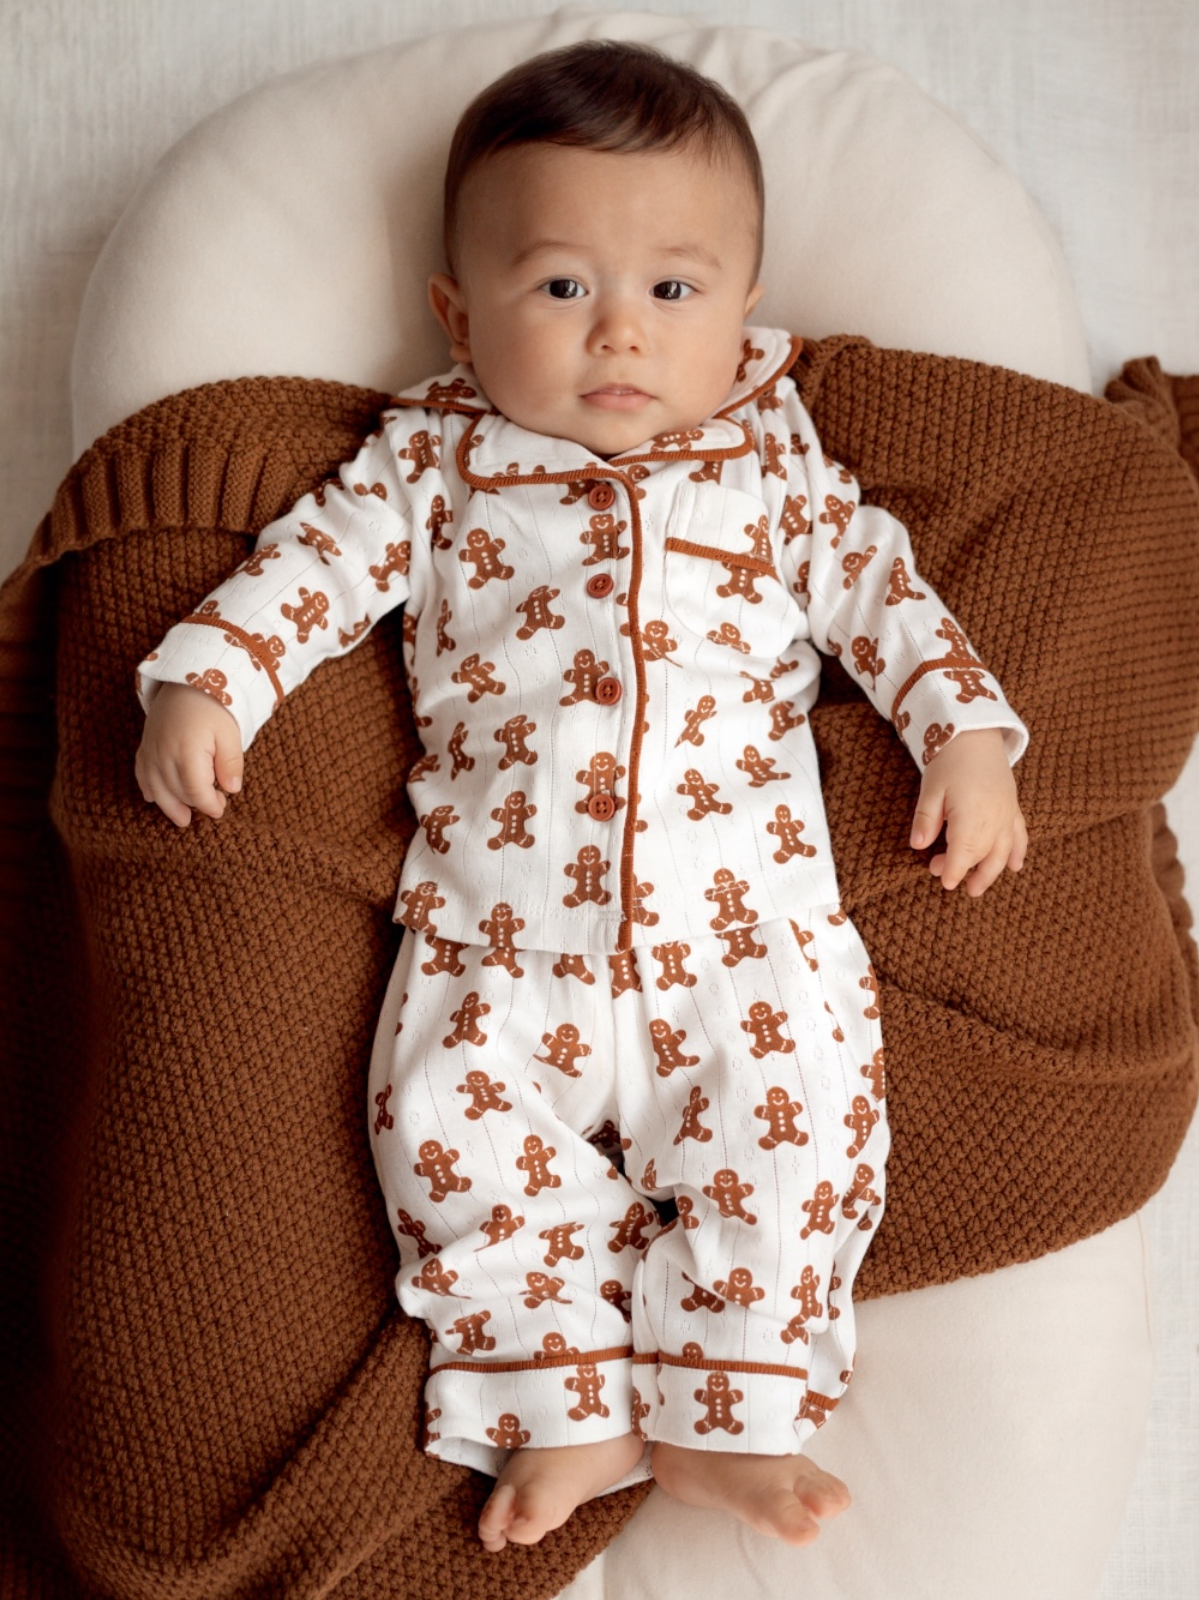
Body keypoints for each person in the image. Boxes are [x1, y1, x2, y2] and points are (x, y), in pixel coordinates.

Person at [134, 39, 1027, 1558]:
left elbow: (884, 591)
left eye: (674, 291)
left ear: (742, 306)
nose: (618, 328)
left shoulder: (772, 465)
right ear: (455, 311)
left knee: (798, 1131)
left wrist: (964, 738)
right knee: (450, 1143)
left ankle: (731, 1415)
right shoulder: (430, 467)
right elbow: (311, 570)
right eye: (558, 288)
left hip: (745, 935)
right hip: (497, 930)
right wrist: (212, 675)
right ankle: (560, 1408)